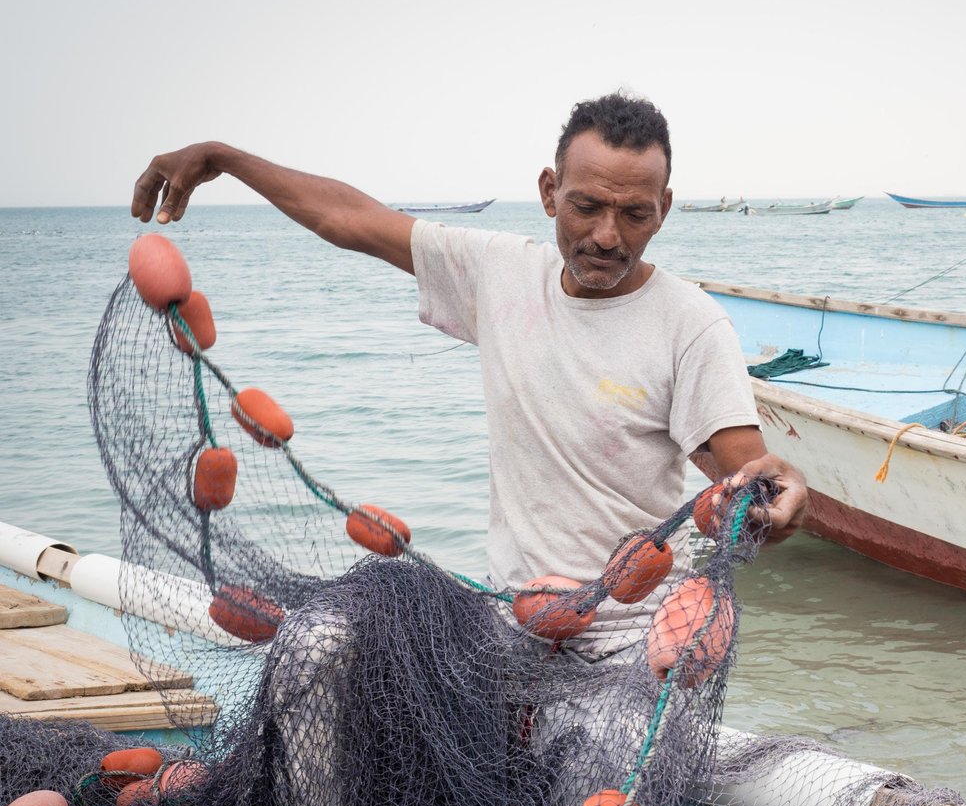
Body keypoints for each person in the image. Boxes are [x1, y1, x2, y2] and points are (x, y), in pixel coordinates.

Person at [131, 92, 807, 657]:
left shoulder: (691, 325)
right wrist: (226, 158)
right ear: (548, 192)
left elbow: (744, 476)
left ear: (663, 207)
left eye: (634, 214)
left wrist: (779, 502)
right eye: (586, 207)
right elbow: (351, 220)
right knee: (328, 666)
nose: (607, 236)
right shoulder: (499, 273)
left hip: (630, 644)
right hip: (508, 623)